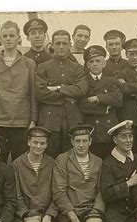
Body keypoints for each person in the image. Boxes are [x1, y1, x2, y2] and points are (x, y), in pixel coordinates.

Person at [0, 21, 38, 162]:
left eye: (12, 35)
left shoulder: (29, 64)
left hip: (22, 122)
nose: (8, 39)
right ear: (0, 38)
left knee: (20, 163)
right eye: (5, 36)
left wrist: (33, 121)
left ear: (18, 38)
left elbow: (33, 95)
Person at [35, 29, 88, 158]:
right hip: (50, 121)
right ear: (52, 45)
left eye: (64, 43)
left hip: (72, 120)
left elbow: (81, 90)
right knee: (50, 158)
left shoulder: (77, 68)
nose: (61, 47)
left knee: (71, 159)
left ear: (70, 44)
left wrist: (58, 88)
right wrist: (70, 93)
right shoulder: (43, 67)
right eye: (58, 43)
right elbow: (41, 93)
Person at [52, 125, 105, 222]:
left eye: (84, 141)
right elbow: (59, 192)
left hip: (92, 210)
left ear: (90, 142)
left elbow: (101, 190)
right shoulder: (62, 159)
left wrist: (95, 214)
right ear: (72, 142)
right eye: (77, 141)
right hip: (70, 211)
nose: (81, 145)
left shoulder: (98, 161)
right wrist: (74, 219)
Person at [100, 120, 137, 222]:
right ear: (115, 140)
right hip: (116, 218)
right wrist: (129, 183)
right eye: (124, 137)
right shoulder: (108, 163)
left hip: (134, 216)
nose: (128, 140)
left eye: (130, 136)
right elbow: (106, 194)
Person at [12, 127, 58, 222]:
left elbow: (57, 193)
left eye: (42, 143)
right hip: (24, 214)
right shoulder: (17, 164)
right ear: (29, 142)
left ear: (46, 145)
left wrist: (49, 215)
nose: (38, 146)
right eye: (35, 142)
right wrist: (26, 215)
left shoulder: (52, 163)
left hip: (45, 214)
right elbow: (17, 195)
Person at [79, 45, 123, 158]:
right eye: (91, 61)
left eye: (98, 61)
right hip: (92, 129)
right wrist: (105, 107)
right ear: (87, 65)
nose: (95, 64)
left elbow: (118, 100)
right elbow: (82, 105)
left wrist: (98, 98)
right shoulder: (83, 82)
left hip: (109, 130)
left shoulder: (111, 81)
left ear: (104, 63)